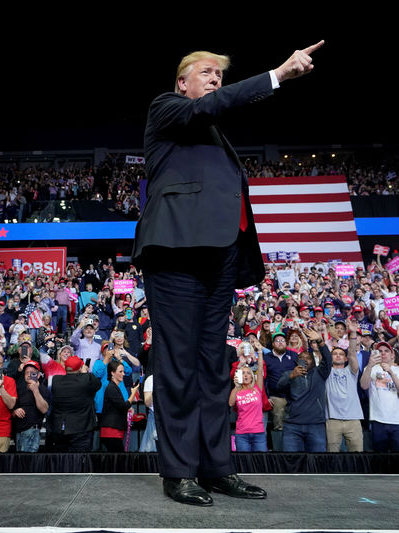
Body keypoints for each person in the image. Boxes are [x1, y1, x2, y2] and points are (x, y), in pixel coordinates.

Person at [133, 42, 324, 504]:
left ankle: (216, 468)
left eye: (220, 73)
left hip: (218, 257)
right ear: (183, 83)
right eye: (207, 72)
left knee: (214, 369)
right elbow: (215, 104)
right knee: (177, 369)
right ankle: (179, 473)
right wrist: (276, 75)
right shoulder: (168, 109)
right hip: (176, 252)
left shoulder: (214, 134)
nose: (215, 78)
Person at [276, 329, 332, 452]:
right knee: (292, 463)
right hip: (292, 425)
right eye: (302, 358)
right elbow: (279, 388)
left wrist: (320, 341)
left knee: (317, 463)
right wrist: (291, 376)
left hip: (315, 424)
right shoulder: (289, 374)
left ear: (313, 362)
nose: (305, 360)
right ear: (297, 361)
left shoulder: (320, 373)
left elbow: (328, 360)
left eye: (308, 358)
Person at [360, 341, 399, 452]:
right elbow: (364, 386)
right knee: (380, 459)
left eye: (386, 351)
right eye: (380, 351)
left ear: (392, 355)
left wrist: (391, 372)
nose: (383, 353)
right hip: (378, 420)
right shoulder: (370, 369)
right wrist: (369, 365)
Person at [46, 355, 99, 452]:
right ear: (79, 368)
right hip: (81, 429)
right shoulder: (86, 379)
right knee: (80, 462)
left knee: (61, 462)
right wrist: (84, 373)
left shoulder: (56, 380)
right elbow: (97, 385)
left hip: (59, 428)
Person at [99, 359, 140, 452]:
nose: (124, 374)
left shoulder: (114, 387)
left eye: (123, 372)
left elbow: (121, 406)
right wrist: (133, 393)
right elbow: (123, 406)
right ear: (112, 373)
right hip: (111, 430)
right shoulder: (111, 388)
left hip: (114, 429)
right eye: (120, 372)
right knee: (118, 460)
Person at [229, 357, 267, 452]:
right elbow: (230, 403)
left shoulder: (257, 388)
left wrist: (259, 352)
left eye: (248, 373)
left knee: (260, 462)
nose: (245, 375)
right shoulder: (236, 391)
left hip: (258, 433)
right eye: (243, 373)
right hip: (242, 434)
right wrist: (236, 386)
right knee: (244, 463)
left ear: (252, 377)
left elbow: (260, 369)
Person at [12, 360, 51, 452]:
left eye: (32, 373)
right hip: (18, 432)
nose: (29, 375)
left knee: (29, 463)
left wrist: (35, 390)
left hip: (32, 431)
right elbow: (12, 410)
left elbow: (44, 409)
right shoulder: (19, 389)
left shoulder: (43, 390)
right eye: (27, 372)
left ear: (38, 375)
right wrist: (15, 411)